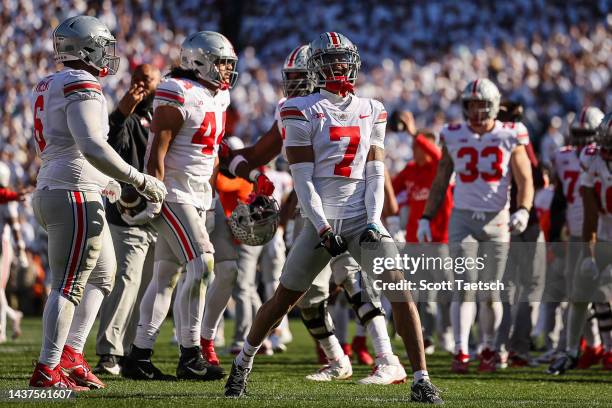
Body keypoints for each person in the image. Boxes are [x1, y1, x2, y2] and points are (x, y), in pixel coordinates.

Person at [224, 32, 442, 403]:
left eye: (344, 59)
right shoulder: (298, 109)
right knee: (284, 299)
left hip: (360, 217)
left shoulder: (374, 109)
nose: (339, 66)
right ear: (316, 67)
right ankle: (241, 366)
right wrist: (323, 228)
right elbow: (304, 180)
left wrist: (373, 220)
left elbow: (375, 172)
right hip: (318, 218)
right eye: (330, 60)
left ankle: (420, 378)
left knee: (400, 291)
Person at [28, 15, 166, 390]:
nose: (109, 54)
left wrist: (108, 183)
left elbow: (67, 144)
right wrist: (137, 179)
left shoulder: (48, 82)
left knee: (103, 276)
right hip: (71, 194)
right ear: (87, 48)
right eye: (104, 46)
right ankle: (47, 369)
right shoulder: (81, 82)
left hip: (66, 189)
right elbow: (90, 145)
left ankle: (71, 355)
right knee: (69, 285)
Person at [121, 31, 236, 382]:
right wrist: (154, 193)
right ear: (198, 61)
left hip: (199, 194)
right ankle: (190, 354)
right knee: (203, 262)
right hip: (173, 192)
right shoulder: (176, 91)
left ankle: (139, 357)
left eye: (229, 63)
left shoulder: (219, 95)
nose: (226, 70)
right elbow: (157, 147)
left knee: (166, 276)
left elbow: (210, 152)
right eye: (220, 62)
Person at [418, 78, 534, 374]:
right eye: (471, 104)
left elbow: (524, 178)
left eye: (482, 104)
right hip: (463, 218)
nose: (476, 110)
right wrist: (426, 216)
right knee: (465, 287)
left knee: (490, 291)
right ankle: (461, 350)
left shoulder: (511, 133)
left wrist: (524, 209)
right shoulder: (454, 134)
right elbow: (442, 177)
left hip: (497, 219)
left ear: (494, 106)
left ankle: (489, 346)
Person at [94, 64, 162, 375]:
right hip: (128, 213)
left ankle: (134, 353)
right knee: (125, 281)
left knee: (149, 287)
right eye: (136, 78)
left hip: (161, 214)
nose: (140, 84)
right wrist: (120, 114)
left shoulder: (165, 117)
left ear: (159, 82)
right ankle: (109, 351)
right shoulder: (128, 116)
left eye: (146, 79)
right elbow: (110, 146)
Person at [548, 109, 612, 374]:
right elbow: (589, 210)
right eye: (605, 141)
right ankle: (571, 351)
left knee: (607, 288)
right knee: (579, 292)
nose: (606, 148)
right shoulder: (592, 158)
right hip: (605, 231)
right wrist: (589, 253)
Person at [392, 130, 453, 355]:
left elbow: (438, 155)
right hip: (414, 242)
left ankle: (449, 333)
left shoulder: (438, 168)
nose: (415, 150)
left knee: (445, 291)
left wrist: (413, 132)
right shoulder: (409, 171)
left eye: (419, 146)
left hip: (438, 240)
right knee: (418, 293)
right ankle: (426, 336)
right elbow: (391, 188)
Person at [0, 162, 27, 344]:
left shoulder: (6, 199)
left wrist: (21, 250)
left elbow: (15, 226)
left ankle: (1, 330)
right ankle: (13, 315)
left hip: (2, 245)